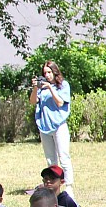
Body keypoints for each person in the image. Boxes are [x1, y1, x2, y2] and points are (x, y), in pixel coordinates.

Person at [30, 60, 74, 190]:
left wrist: (50, 88)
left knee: (64, 157)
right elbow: (33, 101)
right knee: (50, 159)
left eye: (49, 72)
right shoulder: (41, 88)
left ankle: (69, 185)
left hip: (59, 125)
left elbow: (60, 103)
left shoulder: (63, 85)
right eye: (45, 73)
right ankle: (53, 186)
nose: (47, 75)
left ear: (55, 72)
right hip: (44, 126)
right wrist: (36, 88)